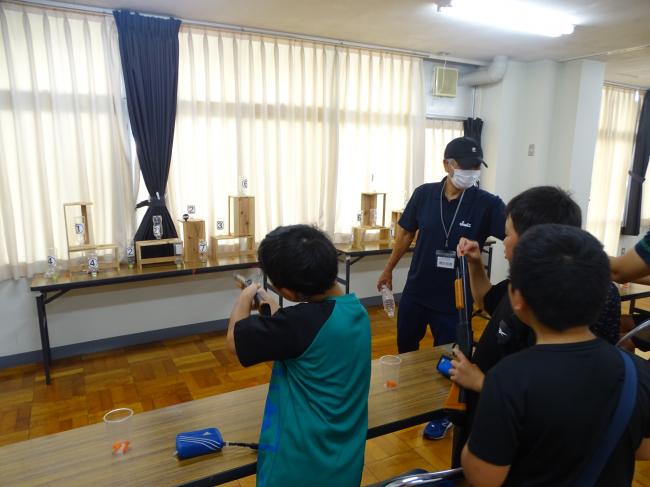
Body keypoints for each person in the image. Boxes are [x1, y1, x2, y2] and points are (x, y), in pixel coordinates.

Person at [461, 224, 650, 487]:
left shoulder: (508, 379)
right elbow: (643, 449)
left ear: (517, 299)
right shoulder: (637, 372)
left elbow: (484, 477)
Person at [451, 187, 621, 442]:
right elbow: (487, 300)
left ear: (533, 240)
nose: (503, 241)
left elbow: (547, 399)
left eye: (507, 234)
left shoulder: (546, 310)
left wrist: (480, 383)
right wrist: (475, 263)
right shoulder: (522, 284)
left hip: (512, 433)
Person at [376, 136, 506, 439]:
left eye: (477, 167)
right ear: (447, 165)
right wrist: (388, 269)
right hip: (417, 291)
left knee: (450, 358)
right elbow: (406, 233)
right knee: (407, 347)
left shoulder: (487, 204)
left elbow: (513, 237)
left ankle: (444, 412)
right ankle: (410, 397)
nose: (473, 172)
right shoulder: (424, 195)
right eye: (467, 166)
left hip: (455, 301)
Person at [227, 225, 371, 487]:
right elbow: (295, 336)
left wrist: (246, 297)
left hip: (298, 468)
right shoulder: (356, 310)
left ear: (290, 294)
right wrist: (267, 300)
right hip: (343, 462)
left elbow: (235, 341)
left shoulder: (299, 325)